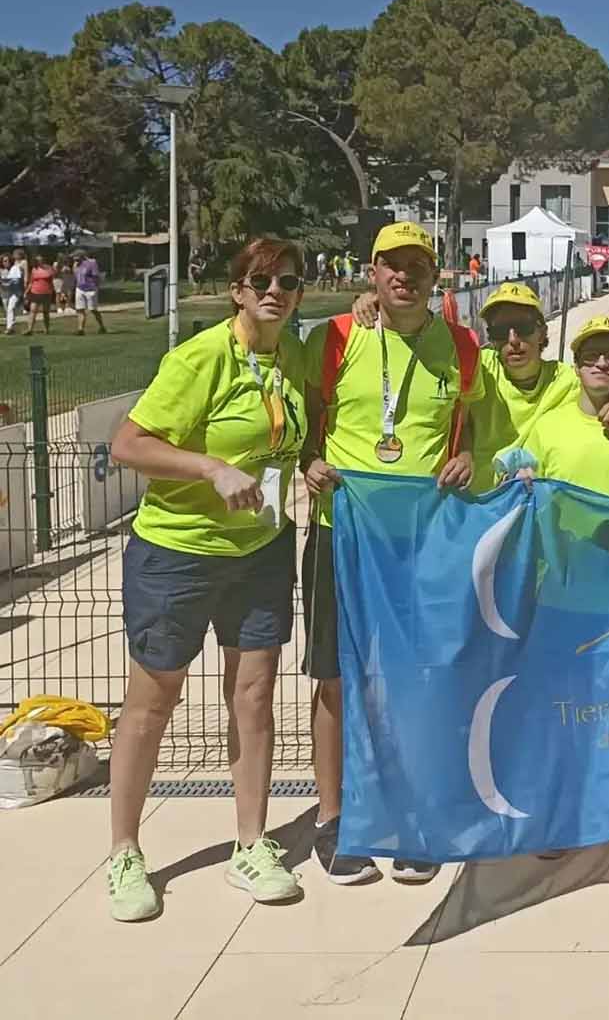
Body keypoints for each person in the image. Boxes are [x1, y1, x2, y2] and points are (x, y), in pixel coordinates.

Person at [105, 237, 309, 921]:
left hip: (263, 548)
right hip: (179, 554)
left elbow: (290, 439)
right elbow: (128, 444)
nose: (274, 291)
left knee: (253, 696)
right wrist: (210, 468)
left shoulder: (292, 356)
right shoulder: (200, 359)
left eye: (288, 280)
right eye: (260, 281)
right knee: (154, 700)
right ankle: (126, 852)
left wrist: (306, 467)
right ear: (236, 290)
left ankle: (250, 844)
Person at [299, 221, 483, 886]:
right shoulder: (336, 338)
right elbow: (303, 417)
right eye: (391, 265)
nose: (404, 276)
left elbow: (479, 420)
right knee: (335, 675)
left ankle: (413, 811)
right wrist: (309, 460)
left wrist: (467, 453)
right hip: (340, 531)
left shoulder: (461, 348)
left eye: (417, 265)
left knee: (419, 675)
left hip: (422, 538)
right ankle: (335, 816)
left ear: (435, 277)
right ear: (371, 273)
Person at [502, 314, 609, 863]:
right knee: (560, 707)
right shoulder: (549, 427)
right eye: (593, 355)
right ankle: (558, 812)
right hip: (560, 591)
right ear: (577, 365)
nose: (603, 363)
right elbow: (509, 471)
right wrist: (514, 478)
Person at [352, 281, 609, 495]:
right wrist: (378, 302)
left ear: (541, 331)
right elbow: (415, 344)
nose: (513, 340)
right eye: (499, 331)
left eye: (522, 328)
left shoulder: (568, 380)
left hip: (537, 509)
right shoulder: (475, 366)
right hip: (480, 504)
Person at [73, 250, 108, 335]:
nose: (74, 259)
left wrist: (96, 287)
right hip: (80, 288)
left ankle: (102, 327)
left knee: (93, 310)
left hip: (90, 289)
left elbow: (96, 276)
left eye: (76, 257)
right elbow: (76, 275)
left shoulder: (92, 263)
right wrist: (74, 267)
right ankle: (80, 329)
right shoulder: (76, 264)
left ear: (82, 256)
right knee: (80, 309)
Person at [24, 254, 56, 335]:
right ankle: (29, 329)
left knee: (46, 312)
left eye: (40, 260)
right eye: (37, 260)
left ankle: (46, 329)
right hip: (35, 292)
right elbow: (31, 282)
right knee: (33, 310)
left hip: (47, 293)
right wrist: (26, 291)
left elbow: (53, 278)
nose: (39, 261)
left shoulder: (49, 268)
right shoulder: (34, 269)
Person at [2, 252, 24, 334]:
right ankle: (11, 327)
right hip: (9, 293)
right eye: (3, 261)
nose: (5, 263)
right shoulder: (6, 270)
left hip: (16, 293)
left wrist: (7, 282)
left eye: (6, 261)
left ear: (10, 261)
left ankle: (9, 328)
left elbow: (17, 280)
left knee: (11, 308)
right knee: (9, 310)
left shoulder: (15, 268)